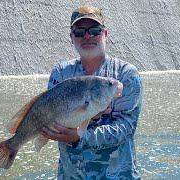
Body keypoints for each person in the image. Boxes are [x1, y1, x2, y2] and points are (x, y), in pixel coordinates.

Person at [40, 5, 142, 179]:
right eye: (79, 32)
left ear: (105, 34)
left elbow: (126, 127)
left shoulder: (125, 74)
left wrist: (79, 138)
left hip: (117, 175)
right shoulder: (61, 73)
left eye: (95, 30)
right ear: (71, 37)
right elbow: (48, 115)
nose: (87, 36)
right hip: (71, 175)